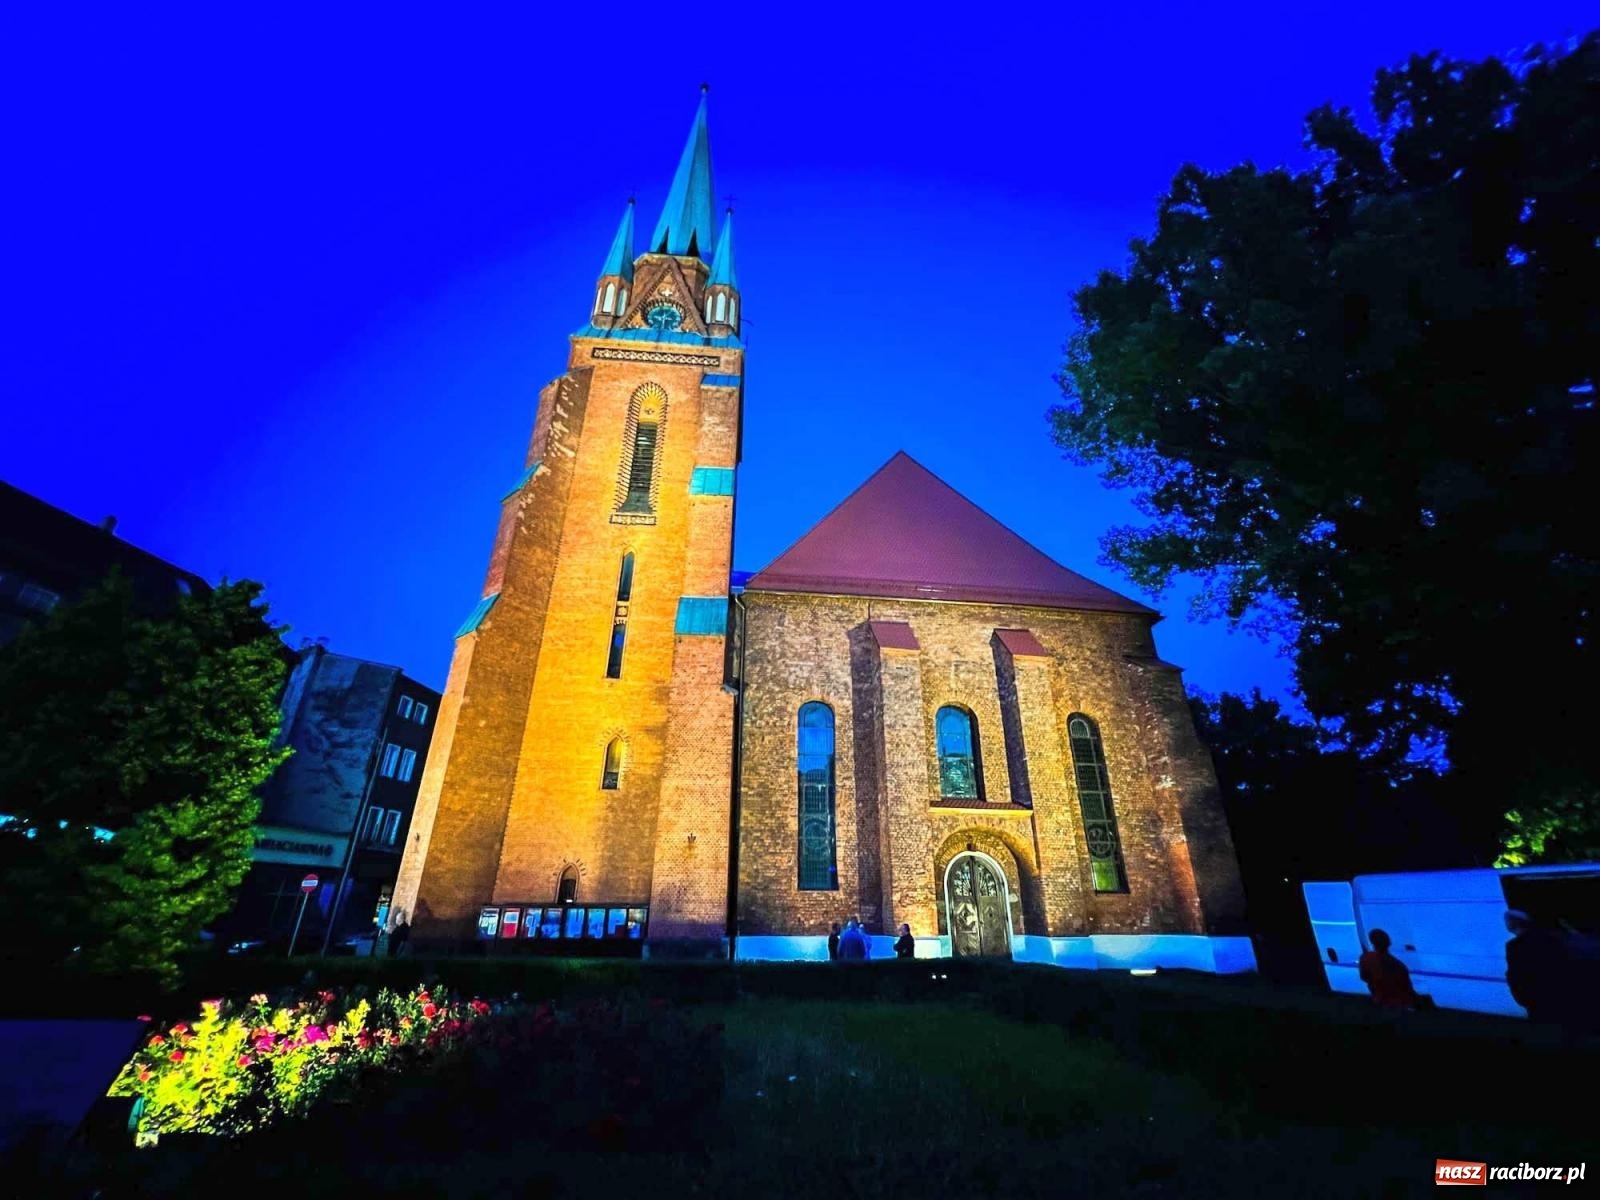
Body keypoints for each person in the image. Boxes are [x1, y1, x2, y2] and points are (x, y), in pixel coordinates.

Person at [1505, 909, 1571, 1027]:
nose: (1506, 923)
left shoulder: (1515, 946)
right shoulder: (1550, 938)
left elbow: (1516, 974)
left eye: (1507, 920)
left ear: (1515, 922)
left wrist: (1521, 996)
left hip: (1536, 997)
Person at [1357, 929, 1417, 1010]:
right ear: (1389, 943)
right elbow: (1407, 988)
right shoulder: (1398, 965)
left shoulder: (1365, 959)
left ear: (1372, 942)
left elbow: (1363, 977)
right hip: (1400, 1005)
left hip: (1379, 1002)